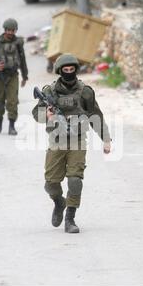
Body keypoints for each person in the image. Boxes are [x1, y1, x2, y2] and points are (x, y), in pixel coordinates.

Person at [32, 54, 112, 234]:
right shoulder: (50, 92)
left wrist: (106, 140)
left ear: (76, 70)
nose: (69, 73)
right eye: (65, 70)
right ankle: (59, 202)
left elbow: (96, 116)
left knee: (75, 181)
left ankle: (70, 218)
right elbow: (36, 114)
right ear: (60, 71)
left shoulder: (85, 92)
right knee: (51, 184)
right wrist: (48, 115)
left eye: (72, 70)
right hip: (56, 142)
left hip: (77, 142)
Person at [0, 18, 28, 135]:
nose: (10, 33)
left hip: (13, 75)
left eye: (13, 31)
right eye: (8, 30)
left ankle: (11, 125)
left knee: (13, 101)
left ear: (15, 31)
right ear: (5, 30)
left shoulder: (18, 43)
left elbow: (22, 60)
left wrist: (25, 76)